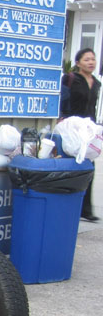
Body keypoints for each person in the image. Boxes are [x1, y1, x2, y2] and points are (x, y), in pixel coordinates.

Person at [61, 47, 100, 222]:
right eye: (86, 59)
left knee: (89, 164)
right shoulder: (70, 79)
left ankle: (86, 208)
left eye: (93, 59)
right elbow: (63, 100)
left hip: (88, 128)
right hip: (72, 126)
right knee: (72, 164)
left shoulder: (96, 83)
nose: (91, 62)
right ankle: (70, 203)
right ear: (78, 63)